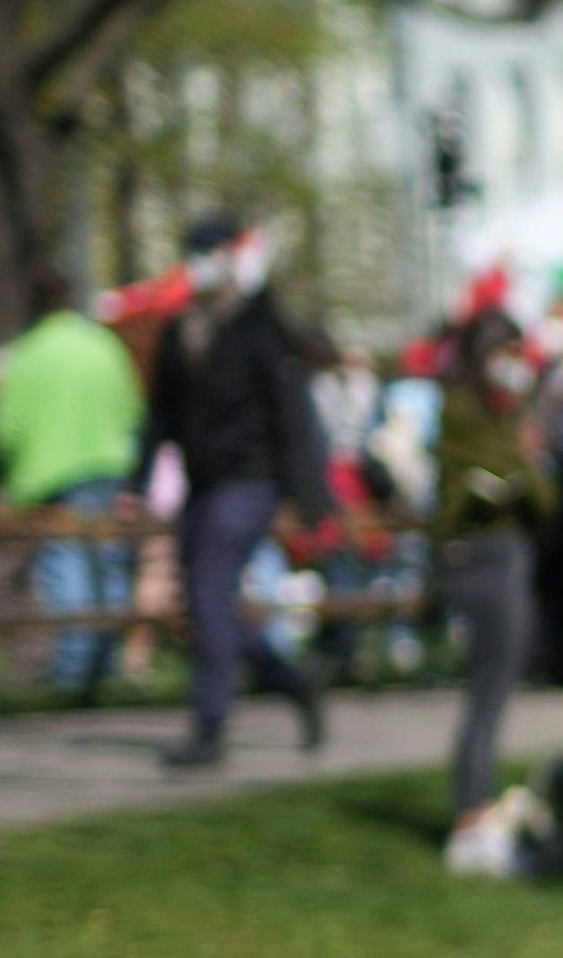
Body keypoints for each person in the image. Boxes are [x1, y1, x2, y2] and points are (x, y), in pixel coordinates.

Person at [145, 214, 332, 767]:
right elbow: (162, 414)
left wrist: (308, 494)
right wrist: (138, 478)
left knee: (209, 596)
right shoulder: (182, 328)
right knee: (209, 605)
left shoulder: (259, 327)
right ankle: (291, 679)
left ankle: (210, 726)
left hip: (250, 480)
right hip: (202, 483)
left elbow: (290, 413)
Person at [0, 266, 145, 695]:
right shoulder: (102, 346)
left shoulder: (25, 355)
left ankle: (75, 668)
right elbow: (132, 409)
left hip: (48, 474)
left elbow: (4, 430)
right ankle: (107, 661)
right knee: (107, 566)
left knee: (66, 567)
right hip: (107, 467)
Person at [428, 310, 551, 820]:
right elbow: (503, 481)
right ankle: (473, 808)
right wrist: (523, 457)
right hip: (488, 555)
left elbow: (543, 498)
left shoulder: (506, 409)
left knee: (491, 690)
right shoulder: (472, 411)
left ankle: (476, 801)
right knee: (488, 691)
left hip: (499, 551)